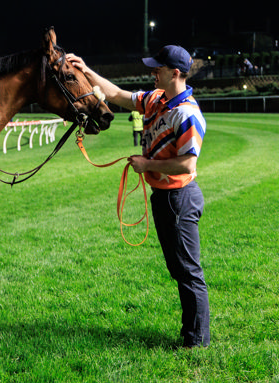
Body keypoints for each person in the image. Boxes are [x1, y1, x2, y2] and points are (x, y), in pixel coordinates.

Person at [68, 45, 210, 349]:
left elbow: (187, 163)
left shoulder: (186, 113)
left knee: (188, 270)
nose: (151, 73)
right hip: (164, 197)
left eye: (157, 69)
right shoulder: (158, 99)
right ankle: (193, 334)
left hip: (180, 198)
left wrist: (147, 165)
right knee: (179, 269)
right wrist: (86, 69)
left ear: (174, 73)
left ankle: (197, 341)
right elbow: (118, 95)